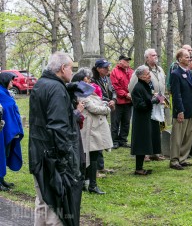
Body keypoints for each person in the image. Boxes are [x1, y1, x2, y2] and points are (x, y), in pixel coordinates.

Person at [29, 51, 82, 225]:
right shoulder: (56, 89)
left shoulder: (40, 84)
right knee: (57, 208)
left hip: (38, 152)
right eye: (70, 68)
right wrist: (64, 160)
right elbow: (57, 126)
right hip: (52, 157)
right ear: (62, 68)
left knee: (43, 201)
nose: (72, 72)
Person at [72, 68, 112, 194]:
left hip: (95, 127)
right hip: (90, 129)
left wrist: (103, 103)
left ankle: (87, 182)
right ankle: (91, 185)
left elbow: (97, 101)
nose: (89, 81)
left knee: (93, 155)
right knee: (90, 155)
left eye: (89, 79)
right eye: (86, 79)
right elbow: (92, 107)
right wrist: (106, 108)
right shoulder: (80, 93)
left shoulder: (87, 90)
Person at [128, 48, 166, 161]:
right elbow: (132, 87)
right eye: (153, 55)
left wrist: (162, 98)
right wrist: (141, 99)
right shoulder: (141, 71)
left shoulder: (160, 70)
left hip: (158, 103)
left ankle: (154, 152)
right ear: (147, 58)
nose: (156, 56)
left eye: (156, 54)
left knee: (156, 128)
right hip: (146, 103)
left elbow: (163, 85)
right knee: (146, 129)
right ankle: (145, 154)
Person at [170, 48, 192, 170]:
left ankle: (183, 158)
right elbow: (176, 95)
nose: (189, 59)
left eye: (189, 57)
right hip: (181, 110)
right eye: (186, 57)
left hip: (191, 109)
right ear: (180, 59)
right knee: (177, 136)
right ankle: (174, 160)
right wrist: (180, 110)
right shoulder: (175, 74)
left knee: (188, 135)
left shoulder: (190, 73)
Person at [131, 65, 161, 175]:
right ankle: (138, 168)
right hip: (140, 119)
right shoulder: (138, 88)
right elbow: (140, 105)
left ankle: (140, 167)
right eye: (147, 74)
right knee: (141, 143)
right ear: (141, 76)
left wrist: (155, 99)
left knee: (145, 141)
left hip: (147, 117)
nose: (149, 76)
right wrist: (152, 101)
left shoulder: (145, 85)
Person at [91, 59, 116, 176]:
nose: (107, 69)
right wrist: (108, 101)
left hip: (106, 109)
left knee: (102, 139)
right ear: (98, 69)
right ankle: (95, 169)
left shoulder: (107, 78)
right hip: (99, 111)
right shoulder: (92, 80)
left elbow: (113, 90)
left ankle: (101, 167)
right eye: (105, 67)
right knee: (97, 140)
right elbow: (96, 97)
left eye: (108, 67)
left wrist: (113, 100)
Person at [0, 73, 24, 191]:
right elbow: (7, 108)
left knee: (4, 153)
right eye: (10, 81)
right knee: (1, 153)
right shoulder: (1, 93)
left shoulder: (5, 92)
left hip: (6, 128)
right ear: (4, 81)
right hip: (2, 128)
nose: (12, 83)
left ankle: (1, 179)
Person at [110, 55, 134, 148]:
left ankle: (123, 140)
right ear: (120, 61)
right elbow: (115, 86)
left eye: (128, 61)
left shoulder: (131, 71)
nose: (127, 62)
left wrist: (131, 94)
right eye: (125, 60)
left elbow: (134, 83)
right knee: (115, 121)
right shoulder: (115, 72)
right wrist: (125, 94)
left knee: (126, 121)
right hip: (119, 101)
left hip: (128, 101)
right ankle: (114, 140)